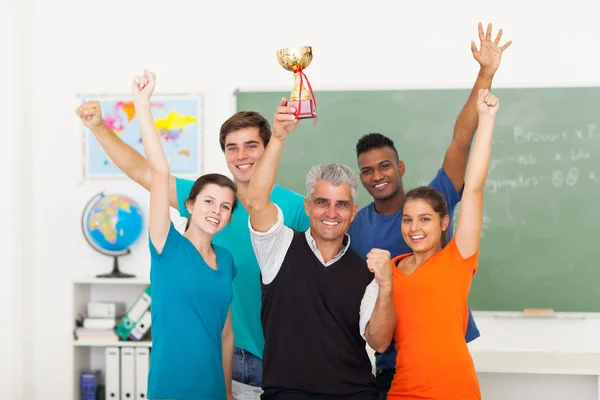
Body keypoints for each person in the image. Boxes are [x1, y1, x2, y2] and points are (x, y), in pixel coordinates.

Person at [75, 102, 309, 387]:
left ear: (268, 147)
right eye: (232, 148)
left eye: (251, 145)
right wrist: (99, 127)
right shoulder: (206, 200)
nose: (241, 155)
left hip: (274, 356)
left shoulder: (295, 208)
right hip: (214, 357)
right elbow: (143, 172)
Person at [349, 22, 512, 399]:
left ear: (443, 221)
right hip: (390, 367)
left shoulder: (435, 201)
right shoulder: (356, 227)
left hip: (444, 367)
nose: (378, 176)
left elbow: (462, 143)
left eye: (385, 166)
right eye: (368, 170)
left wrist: (486, 74)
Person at [245, 99, 387, 399]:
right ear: (308, 206)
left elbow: (380, 342)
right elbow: (256, 200)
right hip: (286, 393)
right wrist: (279, 136)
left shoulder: (366, 272)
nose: (331, 213)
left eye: (341, 204)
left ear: (353, 212)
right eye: (322, 202)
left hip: (354, 394)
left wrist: (386, 286)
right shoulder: (279, 247)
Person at [368, 88, 499, 400]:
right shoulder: (391, 270)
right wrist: (384, 284)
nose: (415, 228)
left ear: (443, 223)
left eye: (425, 219)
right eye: (408, 219)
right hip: (402, 392)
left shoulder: (457, 258)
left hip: (456, 391)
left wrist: (487, 119)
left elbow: (475, 187)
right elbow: (378, 342)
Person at [133, 70, 237, 400]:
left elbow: (225, 333)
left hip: (213, 389)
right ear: (189, 205)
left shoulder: (227, 260)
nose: (216, 211)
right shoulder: (166, 244)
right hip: (170, 387)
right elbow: (160, 172)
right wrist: (142, 105)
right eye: (208, 201)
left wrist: (227, 390)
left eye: (225, 207)